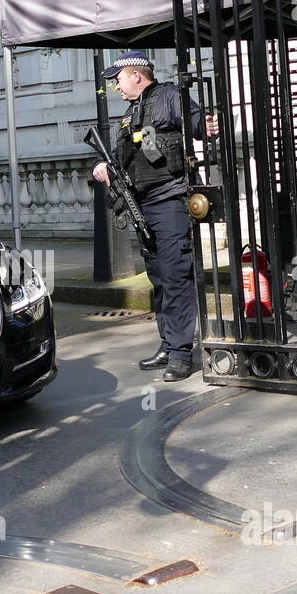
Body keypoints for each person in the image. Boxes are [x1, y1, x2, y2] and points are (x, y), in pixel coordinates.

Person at [91, 51, 218, 382]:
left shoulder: (169, 96)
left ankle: (181, 354)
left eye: (117, 80)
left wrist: (208, 125)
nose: (115, 87)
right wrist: (104, 166)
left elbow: (197, 124)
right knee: (159, 278)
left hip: (170, 201)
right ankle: (167, 342)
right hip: (142, 205)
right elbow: (125, 157)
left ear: (136, 75)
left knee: (176, 276)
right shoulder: (131, 113)